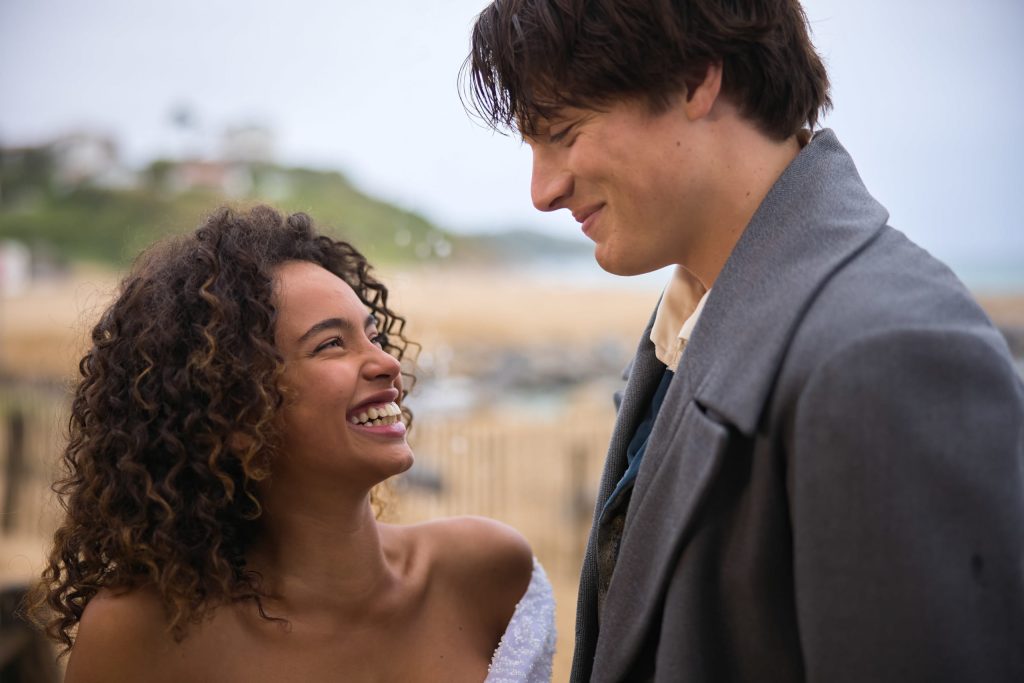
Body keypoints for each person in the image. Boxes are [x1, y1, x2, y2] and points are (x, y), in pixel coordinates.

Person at [464, 1, 1024, 681]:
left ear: (698, 78)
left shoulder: (887, 355)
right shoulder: (696, 310)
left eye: (563, 131)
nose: (541, 191)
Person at [28, 206, 556, 682]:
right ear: (232, 409)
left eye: (373, 335)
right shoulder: (142, 633)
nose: (388, 362)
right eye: (331, 344)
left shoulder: (489, 574)